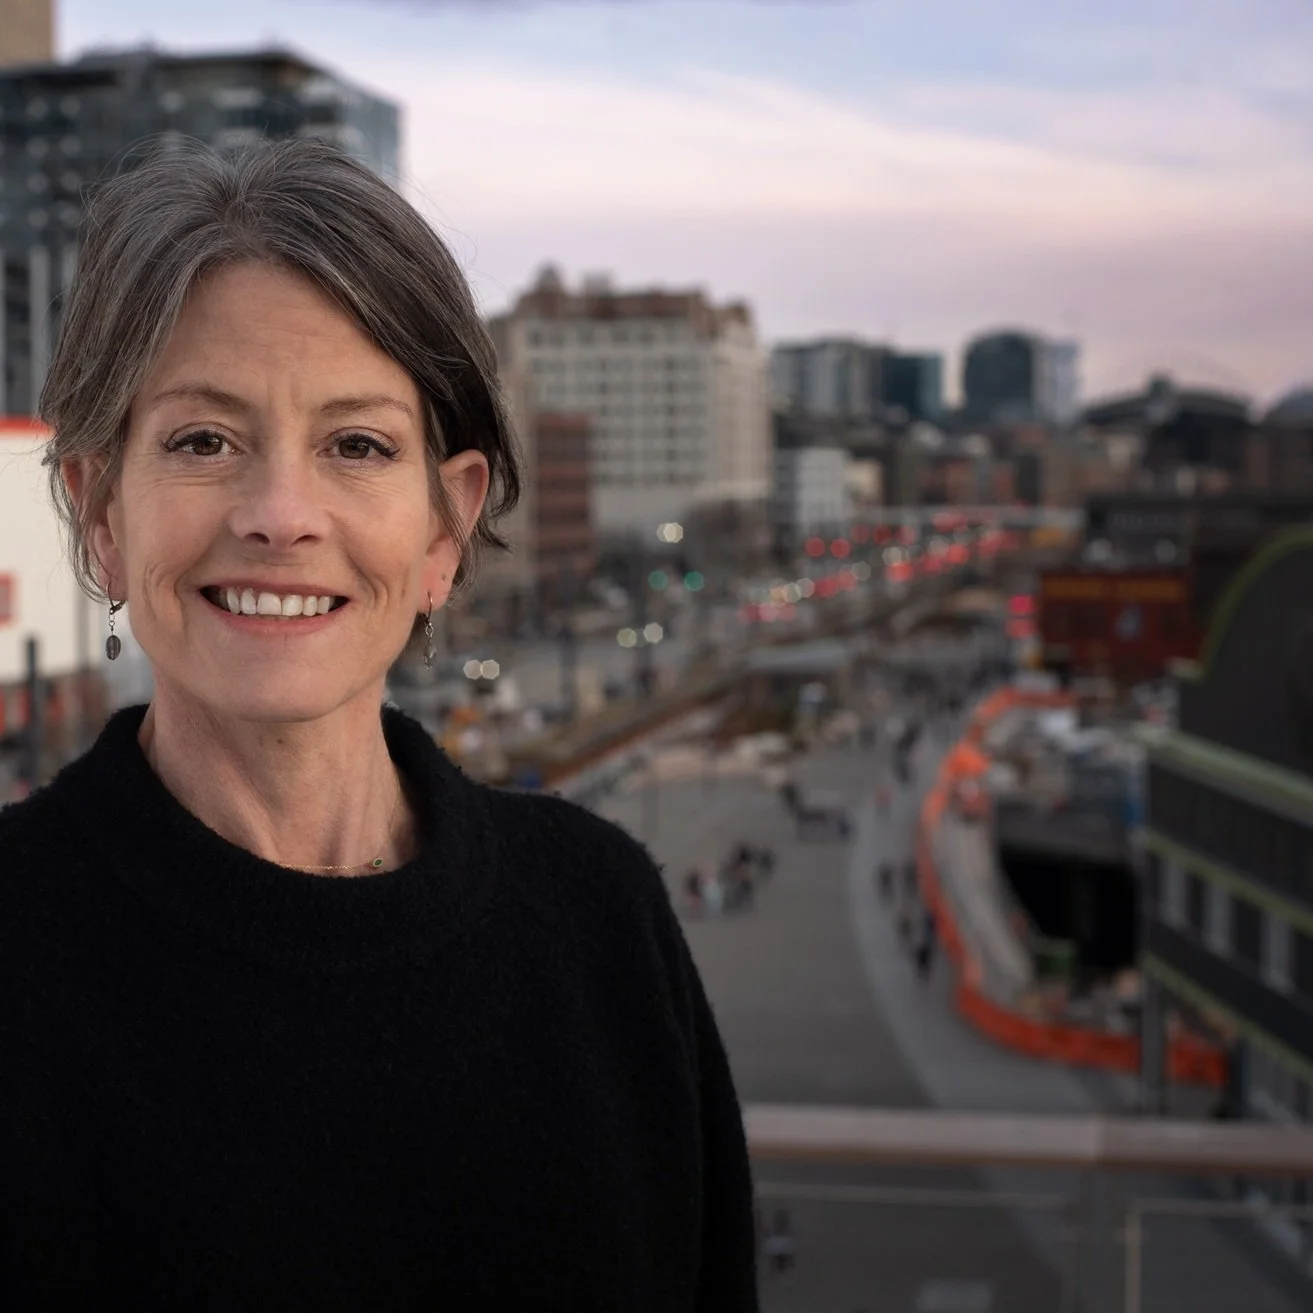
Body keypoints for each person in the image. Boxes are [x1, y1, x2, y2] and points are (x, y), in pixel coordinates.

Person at [0, 140, 758, 1310]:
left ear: (443, 531)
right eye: (204, 440)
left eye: (356, 445)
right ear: (103, 513)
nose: (280, 516)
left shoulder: (601, 918)